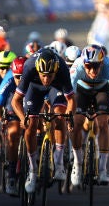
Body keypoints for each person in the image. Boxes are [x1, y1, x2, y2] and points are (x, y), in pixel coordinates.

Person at [11, 48, 75, 194]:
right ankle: (32, 171)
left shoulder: (62, 69)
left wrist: (69, 117)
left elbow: (71, 99)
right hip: (34, 88)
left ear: (55, 71)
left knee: (60, 116)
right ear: (38, 70)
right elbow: (16, 101)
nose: (46, 79)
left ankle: (58, 163)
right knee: (31, 125)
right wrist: (23, 118)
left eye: (49, 75)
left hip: (56, 88)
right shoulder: (29, 67)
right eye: (43, 75)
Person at [69, 44, 109, 187]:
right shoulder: (77, 65)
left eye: (96, 67)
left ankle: (103, 169)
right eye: (88, 66)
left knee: (103, 123)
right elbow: (69, 95)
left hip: (102, 91)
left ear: (102, 63)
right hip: (81, 91)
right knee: (76, 122)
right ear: (83, 63)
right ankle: (77, 165)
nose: (92, 70)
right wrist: (69, 115)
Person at [0, 55, 27, 195]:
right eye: (17, 77)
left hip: (29, 103)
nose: (20, 80)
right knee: (13, 133)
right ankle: (11, 175)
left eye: (23, 77)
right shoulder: (9, 80)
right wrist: (0, 121)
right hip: (13, 104)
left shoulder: (33, 79)